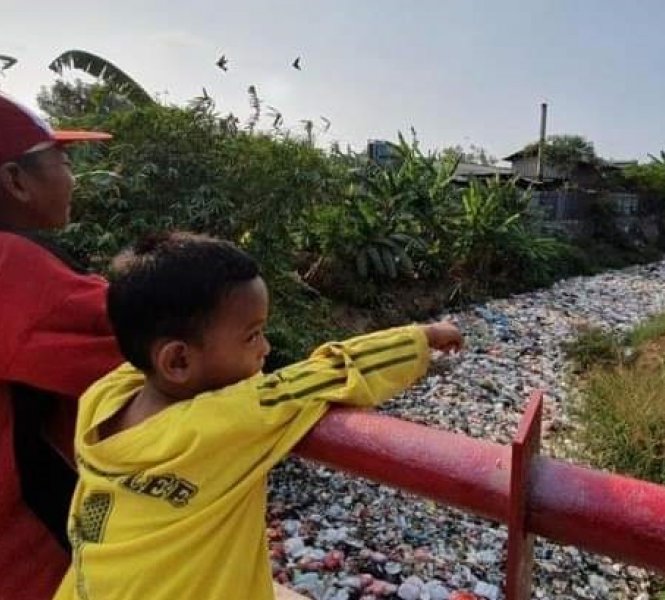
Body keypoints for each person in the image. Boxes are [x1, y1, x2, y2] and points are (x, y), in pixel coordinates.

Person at [55, 232, 463, 600]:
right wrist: (419, 339)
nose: (265, 349)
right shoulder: (226, 422)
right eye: (252, 335)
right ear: (178, 359)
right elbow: (324, 377)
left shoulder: (103, 397)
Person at [0, 92, 122, 599]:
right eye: (63, 162)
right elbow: (174, 340)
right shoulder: (15, 272)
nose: (73, 179)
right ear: (14, 181)